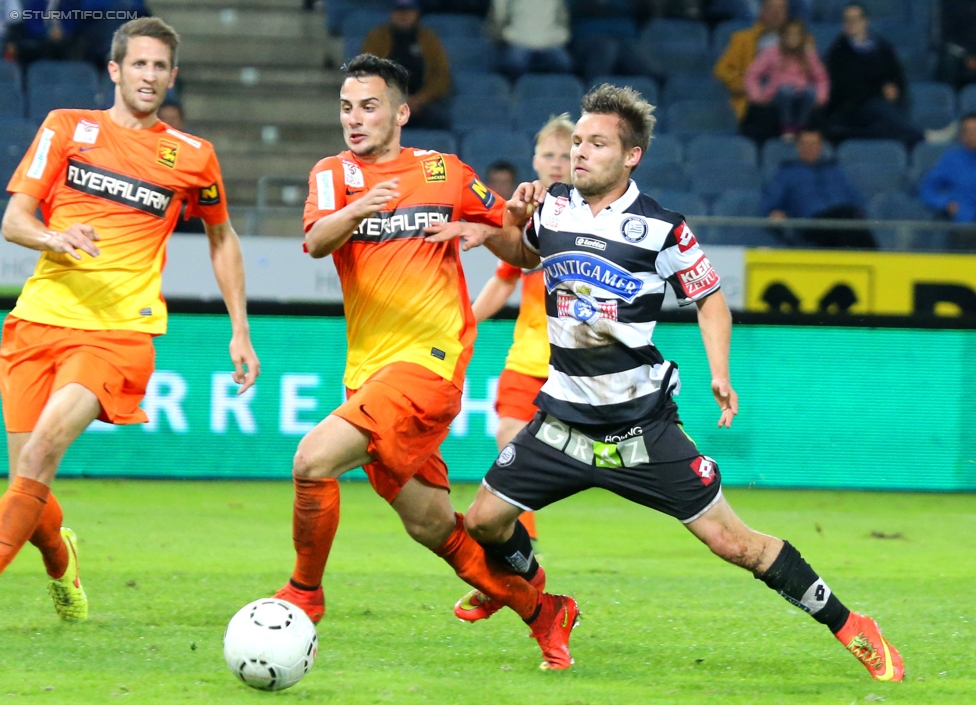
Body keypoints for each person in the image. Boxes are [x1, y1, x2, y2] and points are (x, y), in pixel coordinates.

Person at [426, 83, 904, 681]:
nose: (579, 152)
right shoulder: (553, 207)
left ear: (631, 156)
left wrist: (720, 373)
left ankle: (850, 623)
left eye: (597, 143)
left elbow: (710, 301)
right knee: (486, 523)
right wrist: (494, 230)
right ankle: (542, 600)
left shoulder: (662, 229)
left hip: (640, 430)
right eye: (576, 141)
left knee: (736, 544)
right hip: (561, 422)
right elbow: (525, 255)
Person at [273, 53, 578, 671]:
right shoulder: (333, 176)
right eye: (346, 107)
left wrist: (492, 231)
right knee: (433, 525)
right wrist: (356, 211)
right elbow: (314, 241)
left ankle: (304, 594)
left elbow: (520, 250)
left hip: (431, 364)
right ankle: (545, 610)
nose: (354, 119)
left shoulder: (443, 172)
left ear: (401, 112)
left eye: (369, 106)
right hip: (370, 372)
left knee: (312, 460)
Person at [0, 17, 260, 618]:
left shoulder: (194, 156)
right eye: (138, 64)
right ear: (115, 70)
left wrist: (240, 330)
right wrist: (54, 237)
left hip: (119, 333)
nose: (149, 76)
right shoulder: (67, 128)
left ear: (173, 76)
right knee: (28, 490)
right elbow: (14, 221)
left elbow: (222, 240)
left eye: (160, 66)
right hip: (37, 322)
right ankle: (60, 558)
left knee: (39, 457)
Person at [456, 114, 573, 619]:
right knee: (509, 446)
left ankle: (515, 563)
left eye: (566, 156)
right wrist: (463, 322)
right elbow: (505, 279)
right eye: (549, 155)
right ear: (534, 159)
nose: (557, 164)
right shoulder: (525, 217)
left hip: (579, 369)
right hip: (527, 362)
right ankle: (522, 559)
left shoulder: (593, 217)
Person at [823, 3, 922, 147]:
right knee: (891, 120)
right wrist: (880, 90)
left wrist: (894, 88)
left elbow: (896, 76)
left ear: (865, 22)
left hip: (883, 105)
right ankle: (919, 134)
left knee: (890, 117)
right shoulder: (838, 52)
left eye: (855, 19)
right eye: (847, 20)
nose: (850, 24)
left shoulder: (883, 48)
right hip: (854, 108)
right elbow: (846, 87)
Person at [762, 128, 874, 248]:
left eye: (814, 144)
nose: (809, 148)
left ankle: (877, 260)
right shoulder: (786, 173)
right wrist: (774, 212)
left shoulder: (835, 170)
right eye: (805, 144)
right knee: (846, 218)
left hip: (844, 221)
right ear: (798, 146)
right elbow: (771, 203)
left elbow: (856, 199)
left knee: (851, 221)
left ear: (821, 146)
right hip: (812, 225)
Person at [361, 0, 451, 130]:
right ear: (392, 13)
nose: (403, 15)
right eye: (399, 11)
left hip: (422, 103)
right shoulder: (377, 37)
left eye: (408, 11)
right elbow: (367, 73)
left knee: (440, 120)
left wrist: (420, 99)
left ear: (417, 13)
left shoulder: (429, 39)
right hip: (386, 102)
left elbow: (441, 76)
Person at [743, 19, 828, 142]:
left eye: (797, 35)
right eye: (789, 34)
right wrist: (756, 95)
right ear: (782, 36)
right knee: (786, 90)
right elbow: (752, 74)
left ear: (802, 37)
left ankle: (801, 126)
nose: (793, 38)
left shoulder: (808, 55)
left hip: (801, 94)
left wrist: (821, 96)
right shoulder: (771, 53)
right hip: (777, 95)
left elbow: (821, 78)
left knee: (810, 91)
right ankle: (787, 126)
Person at [714, 0, 789, 122]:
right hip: (752, 105)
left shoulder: (801, 42)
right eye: (771, 8)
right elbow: (722, 70)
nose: (776, 13)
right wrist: (747, 85)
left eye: (781, 9)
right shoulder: (742, 39)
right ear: (762, 12)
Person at [488, 0, 573, 80]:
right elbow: (499, 15)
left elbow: (562, 18)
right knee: (514, 64)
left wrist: (560, 36)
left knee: (564, 63)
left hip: (549, 40)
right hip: (519, 39)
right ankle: (513, 92)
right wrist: (503, 35)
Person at [919, 113, 976, 225]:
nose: (973, 135)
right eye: (968, 131)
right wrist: (945, 203)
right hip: (963, 225)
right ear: (961, 135)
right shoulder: (951, 160)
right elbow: (926, 189)